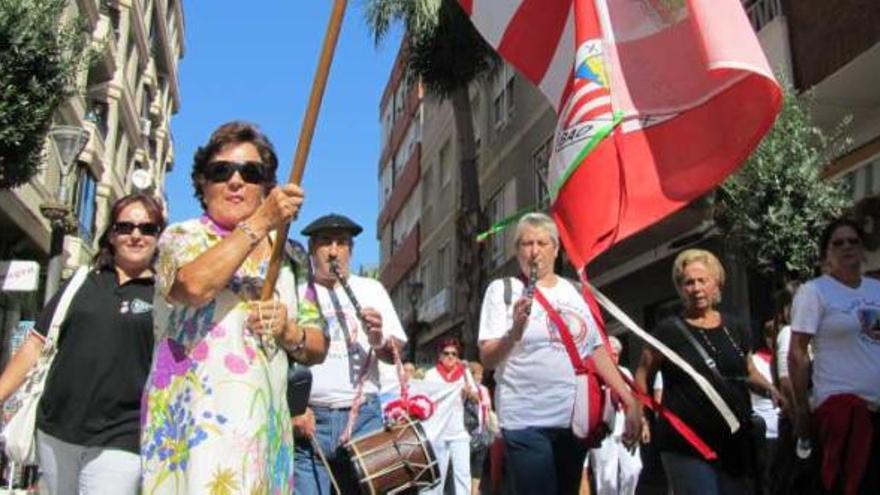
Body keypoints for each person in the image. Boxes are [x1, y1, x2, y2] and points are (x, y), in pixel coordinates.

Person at [141, 121, 327, 493]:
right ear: (202, 184)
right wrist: (260, 222)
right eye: (221, 171)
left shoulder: (289, 254)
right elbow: (192, 286)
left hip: (262, 432)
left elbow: (317, 345)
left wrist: (289, 331)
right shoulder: (182, 236)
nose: (236, 181)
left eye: (251, 172)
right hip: (193, 432)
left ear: (266, 187)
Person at [0, 193, 164, 494]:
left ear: (158, 237)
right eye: (125, 226)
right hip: (55, 429)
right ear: (112, 235)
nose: (136, 235)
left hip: (122, 437)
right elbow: (35, 345)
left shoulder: (164, 297)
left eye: (147, 228)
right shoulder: (81, 281)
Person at [478, 212, 641, 495]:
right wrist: (514, 332)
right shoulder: (503, 290)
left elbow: (595, 351)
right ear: (517, 251)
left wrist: (630, 400)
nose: (534, 251)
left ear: (556, 248)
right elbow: (488, 358)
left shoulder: (575, 292)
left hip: (573, 420)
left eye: (542, 243)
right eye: (526, 244)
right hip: (525, 420)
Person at [634, 248, 782, 495]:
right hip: (686, 442)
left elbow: (748, 371)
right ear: (681, 289)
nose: (696, 288)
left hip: (733, 440)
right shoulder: (667, 331)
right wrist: (638, 414)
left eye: (703, 280)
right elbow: (642, 373)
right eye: (688, 282)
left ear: (717, 284)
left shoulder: (735, 327)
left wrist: (772, 390)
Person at [292, 213, 408, 494]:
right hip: (309, 420)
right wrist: (294, 410)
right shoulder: (296, 292)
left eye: (342, 243)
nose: (334, 251)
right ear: (311, 249)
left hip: (363, 418)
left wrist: (379, 339)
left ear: (351, 250)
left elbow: (395, 354)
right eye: (325, 242)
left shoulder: (371, 289)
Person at [789, 217, 880, 495]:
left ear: (863, 249)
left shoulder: (876, 290)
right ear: (826, 253)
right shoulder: (814, 292)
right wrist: (802, 409)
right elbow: (797, 353)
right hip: (844, 411)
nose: (846, 247)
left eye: (853, 241)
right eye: (837, 243)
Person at [586, 336, 643, 495]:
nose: (614, 358)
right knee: (606, 475)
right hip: (603, 430)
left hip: (626, 428)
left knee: (634, 469)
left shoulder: (625, 373)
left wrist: (641, 421)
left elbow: (634, 399)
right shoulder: (594, 373)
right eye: (610, 354)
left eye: (617, 355)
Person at [422, 338, 477, 495]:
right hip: (437, 431)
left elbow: (476, 398)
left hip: (460, 431)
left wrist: (469, 393)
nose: (450, 356)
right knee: (437, 476)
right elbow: (424, 400)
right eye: (446, 353)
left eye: (454, 353)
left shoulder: (464, 373)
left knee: (463, 474)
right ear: (440, 355)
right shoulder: (430, 375)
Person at [467, 361, 494, 495]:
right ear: (471, 374)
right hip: (467, 432)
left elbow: (488, 409)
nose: (481, 377)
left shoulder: (484, 389)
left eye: (482, 374)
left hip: (482, 431)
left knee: (479, 461)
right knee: (467, 463)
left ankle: (474, 491)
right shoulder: (464, 388)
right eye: (479, 374)